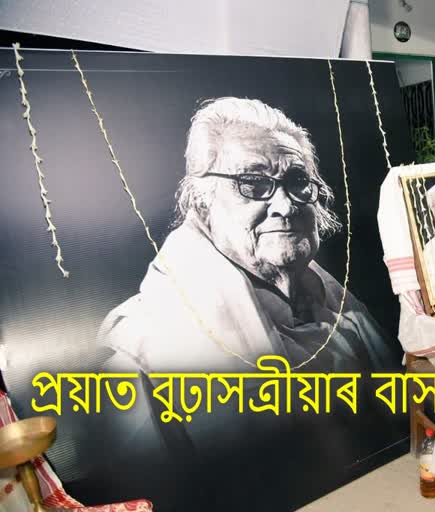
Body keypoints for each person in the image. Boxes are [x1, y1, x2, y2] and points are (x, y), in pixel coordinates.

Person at [86, 97, 400, 510]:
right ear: (201, 203)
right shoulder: (141, 355)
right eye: (252, 184)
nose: (285, 206)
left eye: (298, 182)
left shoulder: (347, 316)